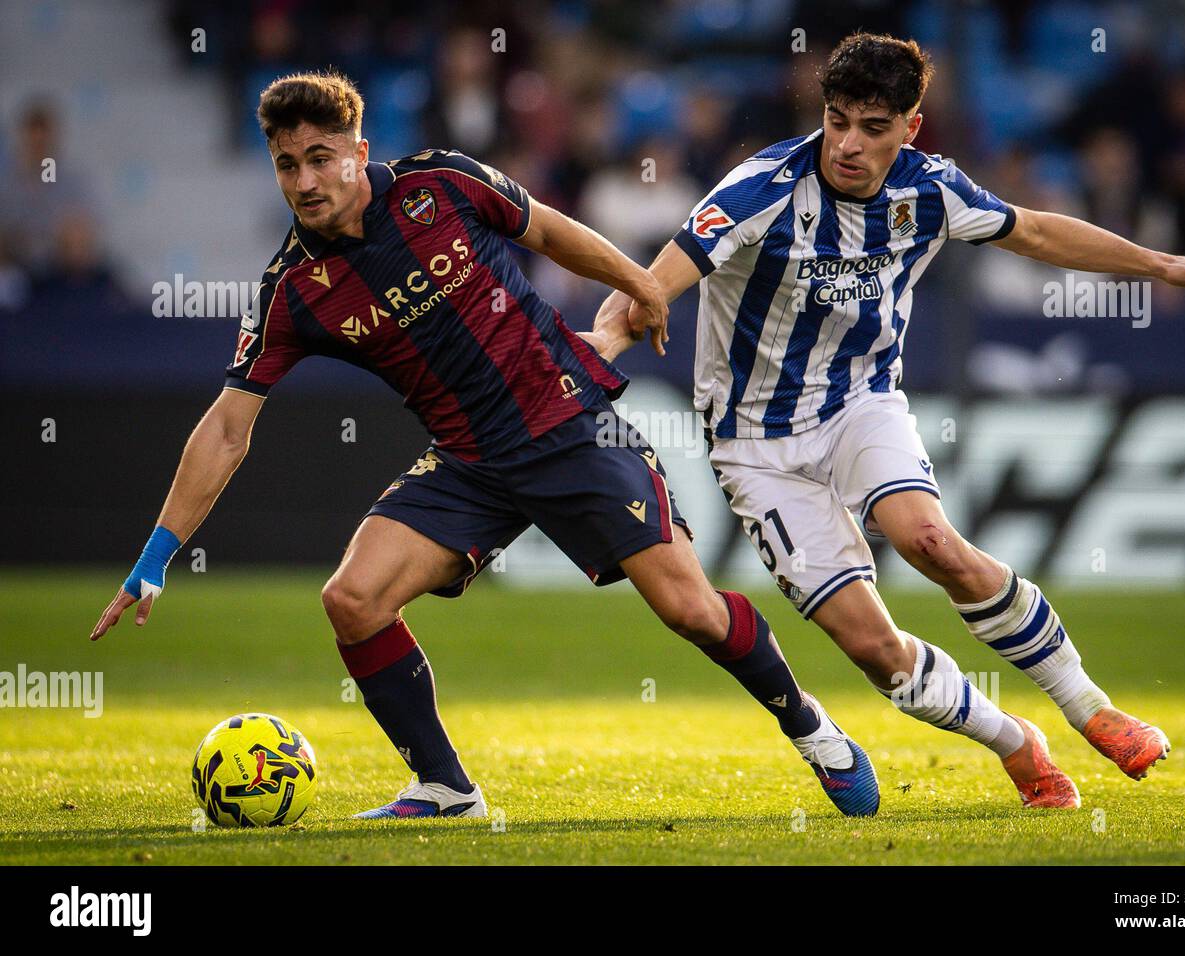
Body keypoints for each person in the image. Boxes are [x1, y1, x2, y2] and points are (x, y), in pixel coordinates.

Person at [89, 71, 881, 820]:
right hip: (469, 462)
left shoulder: (442, 183)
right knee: (352, 600)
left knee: (691, 611)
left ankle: (810, 726)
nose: (304, 182)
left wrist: (640, 281)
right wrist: (156, 557)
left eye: (320, 159)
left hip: (568, 422)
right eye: (286, 164)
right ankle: (445, 787)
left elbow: (549, 231)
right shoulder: (292, 291)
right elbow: (229, 427)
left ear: (359, 152)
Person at [592, 33, 1185, 808]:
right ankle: (1016, 742)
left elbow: (1033, 229)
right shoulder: (760, 189)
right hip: (753, 444)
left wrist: (1164, 264)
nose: (848, 145)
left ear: (911, 128)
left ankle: (1090, 708)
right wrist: (607, 338)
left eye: (871, 126)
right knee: (874, 649)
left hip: (861, 403)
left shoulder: (933, 191)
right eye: (836, 121)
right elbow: (648, 285)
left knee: (932, 542)